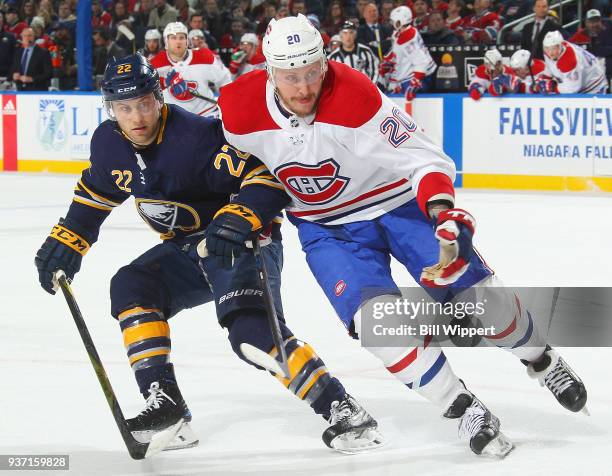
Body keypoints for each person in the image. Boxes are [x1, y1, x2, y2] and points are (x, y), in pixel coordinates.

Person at [215, 14, 589, 457]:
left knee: (482, 299)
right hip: (328, 230)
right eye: (290, 76)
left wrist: (442, 212)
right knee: (379, 326)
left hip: (396, 205)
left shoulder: (353, 93)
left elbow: (424, 158)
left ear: (324, 61)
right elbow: (226, 170)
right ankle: (462, 406)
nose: (304, 88)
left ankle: (541, 359)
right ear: (268, 71)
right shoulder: (238, 109)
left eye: (312, 71)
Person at [34, 53, 383, 454]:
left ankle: (343, 409)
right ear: (110, 109)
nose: (136, 117)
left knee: (250, 334)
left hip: (241, 242)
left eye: (144, 103)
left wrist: (240, 214)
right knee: (133, 286)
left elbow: (266, 174)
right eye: (124, 108)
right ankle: (167, 407)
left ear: (159, 98)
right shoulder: (109, 144)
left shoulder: (195, 138)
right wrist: (67, 239)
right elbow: (96, 194)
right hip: (185, 249)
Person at [150, 22, 231, 117]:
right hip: (174, 117)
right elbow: (146, 91)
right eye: (173, 38)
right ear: (166, 42)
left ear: (187, 41)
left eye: (181, 37)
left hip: (206, 112)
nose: (178, 41)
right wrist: (163, 83)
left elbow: (225, 81)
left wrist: (227, 103)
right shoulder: (154, 63)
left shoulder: (205, 57)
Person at [380, 7, 437, 100]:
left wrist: (414, 84)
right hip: (408, 75)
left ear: (399, 22)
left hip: (416, 77)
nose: (391, 23)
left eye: (393, 21)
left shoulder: (408, 39)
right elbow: (396, 50)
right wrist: (388, 60)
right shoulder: (401, 32)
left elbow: (421, 62)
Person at [542, 31, 608, 93]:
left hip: (594, 83)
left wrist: (553, 87)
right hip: (583, 77)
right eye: (547, 48)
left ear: (561, 45)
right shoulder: (551, 51)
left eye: (553, 48)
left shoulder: (569, 59)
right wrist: (544, 79)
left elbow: (572, 89)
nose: (550, 52)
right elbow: (550, 66)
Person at [569, 9, 612, 81]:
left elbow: (596, 50)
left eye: (597, 21)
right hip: (588, 74)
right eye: (592, 22)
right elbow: (568, 46)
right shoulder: (580, 35)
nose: (595, 24)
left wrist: (595, 50)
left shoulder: (608, 31)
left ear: (601, 21)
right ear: (586, 23)